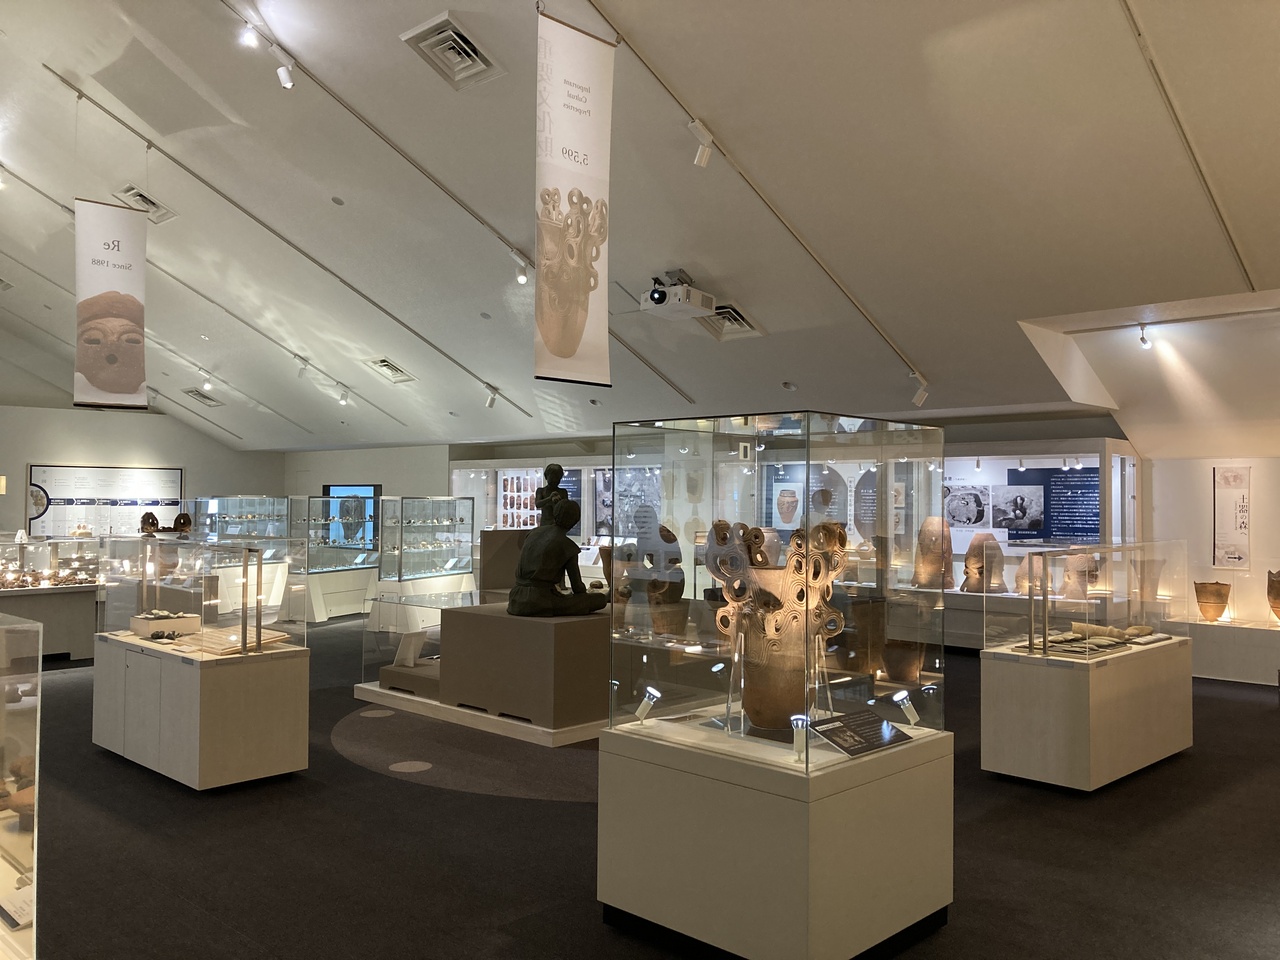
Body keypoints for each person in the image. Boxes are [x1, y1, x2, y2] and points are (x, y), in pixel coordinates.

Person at [507, 499, 608, 617]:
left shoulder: (533, 533)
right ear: (575, 521)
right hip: (540, 601)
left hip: (515, 597)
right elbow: (577, 587)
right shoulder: (568, 546)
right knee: (599, 599)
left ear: (555, 514)